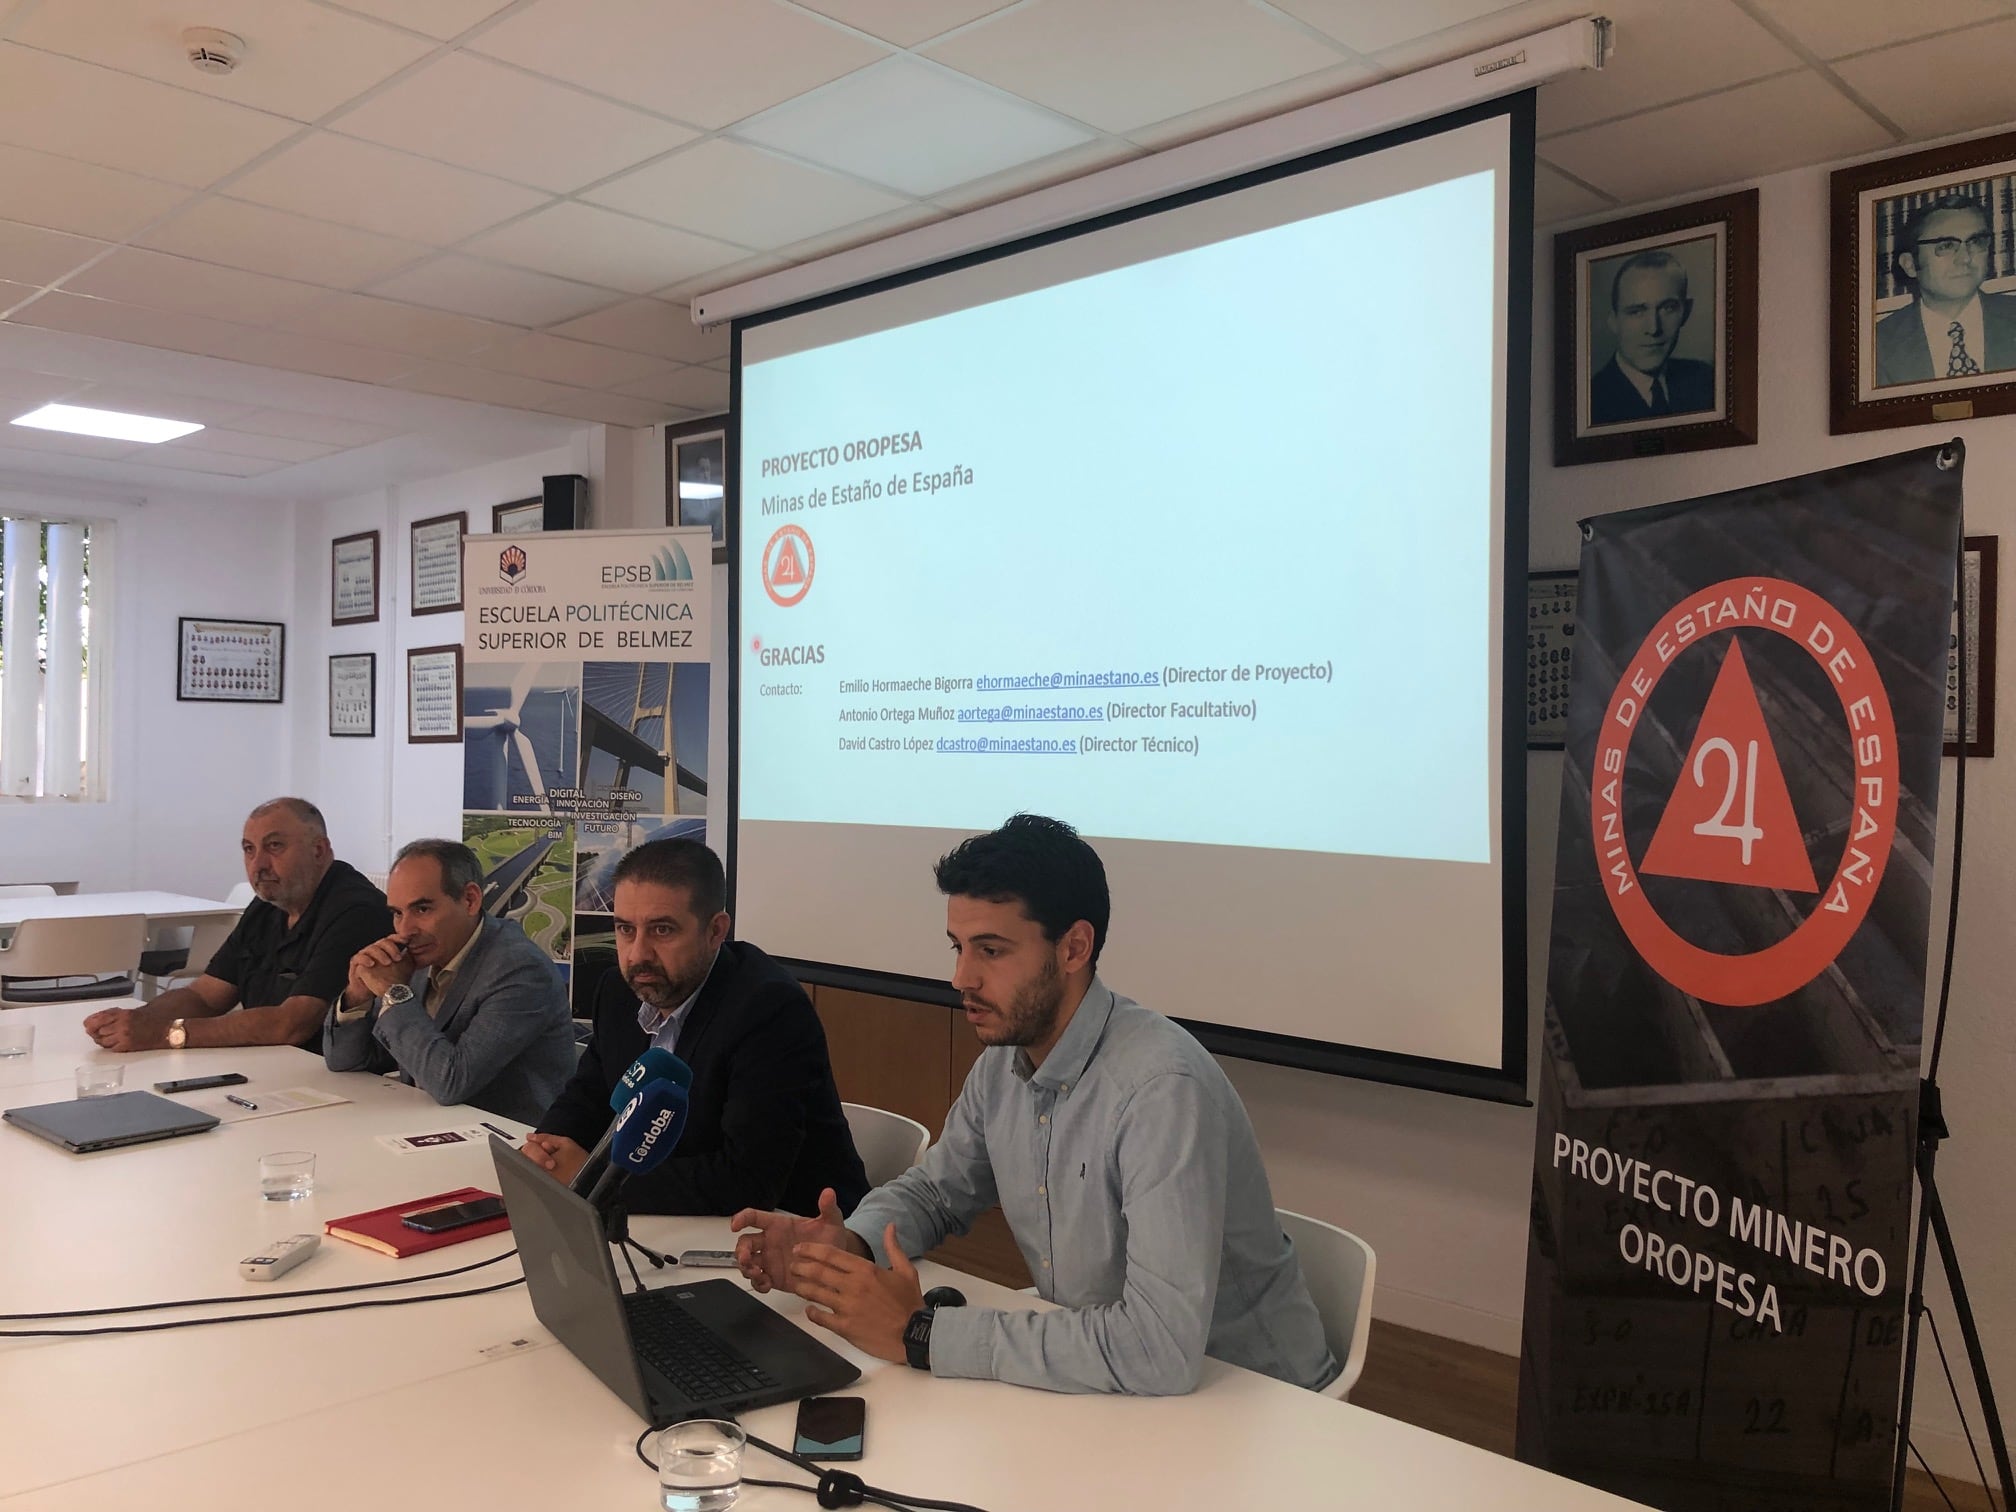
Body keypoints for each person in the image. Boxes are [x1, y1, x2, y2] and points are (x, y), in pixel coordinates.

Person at [730, 814, 1339, 1397]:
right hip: (1116, 1377)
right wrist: (849, 1248)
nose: (961, 978)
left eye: (991, 951)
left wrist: (924, 1334)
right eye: (957, 947)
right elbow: (936, 1192)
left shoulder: (1161, 1089)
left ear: (1074, 948)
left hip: (1252, 1401)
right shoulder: (1006, 1060)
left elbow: (1160, 1348)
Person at [521, 837, 867, 1216]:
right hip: (669, 1218)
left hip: (793, 1233)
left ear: (716, 931)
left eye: (662, 930)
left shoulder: (769, 1011)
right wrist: (547, 1151)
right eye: (624, 929)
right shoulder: (618, 990)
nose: (637, 954)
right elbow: (588, 1096)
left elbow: (748, 1180)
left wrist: (592, 1178)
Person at [83, 798, 389, 1053]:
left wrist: (164, 1033)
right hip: (268, 1067)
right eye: (248, 849)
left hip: (335, 1080)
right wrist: (134, 1021)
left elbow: (293, 1024)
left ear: (319, 851)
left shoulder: (356, 911)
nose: (258, 864)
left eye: (275, 846)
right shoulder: (267, 907)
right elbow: (205, 996)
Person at [322, 838, 573, 1124]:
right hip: (423, 1126)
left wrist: (394, 993)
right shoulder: (418, 957)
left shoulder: (520, 970)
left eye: (422, 910)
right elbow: (345, 1060)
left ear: (470, 900)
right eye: (397, 913)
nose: (405, 931)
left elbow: (451, 1082)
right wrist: (358, 995)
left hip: (504, 1144)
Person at [1874, 194, 2016, 387]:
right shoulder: (1876, 346)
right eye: (1946, 246)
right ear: (1910, 265)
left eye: (1976, 241)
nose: (1965, 258)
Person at [1589, 249, 1715, 426]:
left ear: (1686, 311)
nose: (1653, 328)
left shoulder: (1706, 380)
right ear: (1614, 321)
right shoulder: (1590, 401)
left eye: (1667, 308)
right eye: (1636, 312)